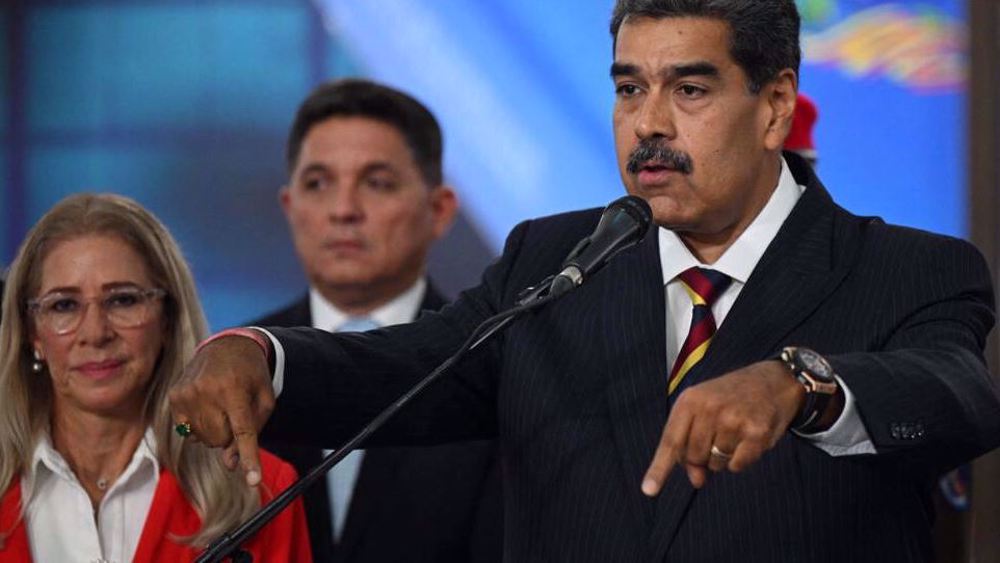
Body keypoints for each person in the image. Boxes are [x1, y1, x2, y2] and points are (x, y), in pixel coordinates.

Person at [169, 1, 1000, 561]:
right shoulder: (555, 259)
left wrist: (802, 384)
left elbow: (957, 392)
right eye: (630, 88)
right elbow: (406, 366)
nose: (649, 124)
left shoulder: (908, 269)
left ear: (777, 106)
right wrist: (263, 354)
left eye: (690, 89)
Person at [253, 78, 502, 562]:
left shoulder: (490, 365)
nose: (344, 210)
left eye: (377, 183)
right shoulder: (240, 363)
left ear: (439, 210)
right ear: (290, 206)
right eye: (318, 184)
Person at [0, 194, 312, 562]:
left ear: (167, 319)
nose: (96, 333)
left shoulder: (262, 492)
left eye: (123, 300)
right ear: (33, 333)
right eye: (64, 305)